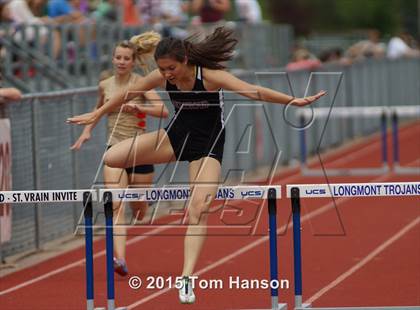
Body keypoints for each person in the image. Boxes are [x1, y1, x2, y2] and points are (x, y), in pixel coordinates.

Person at [67, 27, 326, 303]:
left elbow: (253, 91)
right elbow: (126, 94)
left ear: (186, 60)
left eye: (171, 68)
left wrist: (292, 100)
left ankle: (186, 278)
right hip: (175, 138)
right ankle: (142, 192)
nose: (167, 75)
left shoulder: (210, 76)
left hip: (208, 145)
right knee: (111, 157)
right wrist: (97, 113)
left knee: (198, 208)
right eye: (162, 69)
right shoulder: (161, 76)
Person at [70, 33, 169, 277]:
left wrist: (138, 106)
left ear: (134, 61)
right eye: (118, 57)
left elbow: (163, 111)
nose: (122, 62)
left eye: (126, 58)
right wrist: (86, 132)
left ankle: (144, 202)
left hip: (138, 152)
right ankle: (120, 259)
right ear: (113, 60)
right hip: (113, 150)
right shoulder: (105, 85)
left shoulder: (141, 83)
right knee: (116, 206)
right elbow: (98, 110)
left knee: (138, 212)